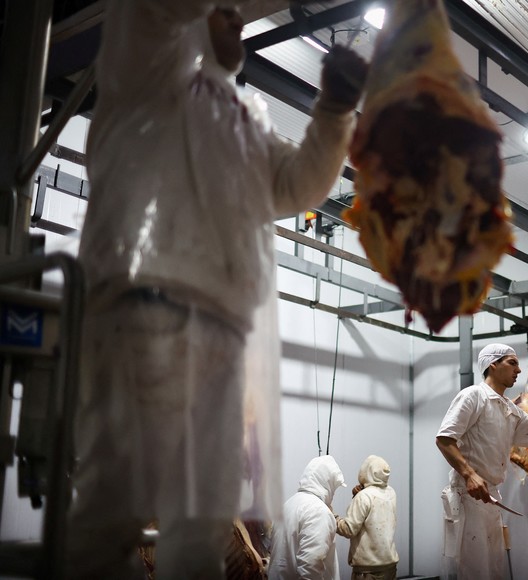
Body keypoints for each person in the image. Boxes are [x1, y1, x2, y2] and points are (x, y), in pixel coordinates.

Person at [65, 1, 367, 577]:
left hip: (221, 333)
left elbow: (293, 183)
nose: (239, 19)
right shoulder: (147, 69)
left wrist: (333, 113)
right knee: (115, 499)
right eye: (222, 9)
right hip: (141, 312)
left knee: (204, 514)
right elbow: (150, 11)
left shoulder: (244, 115)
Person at [435, 343, 528, 579]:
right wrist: (469, 474)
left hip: (491, 498)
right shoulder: (473, 396)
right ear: (493, 364)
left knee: (494, 571)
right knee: (473, 571)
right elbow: (444, 439)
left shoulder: (511, 410)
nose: (518, 370)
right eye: (512, 363)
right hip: (468, 497)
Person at [268, 455, 347, 580]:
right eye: (334, 489)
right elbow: (310, 568)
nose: (333, 494)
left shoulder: (288, 505)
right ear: (327, 484)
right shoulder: (319, 512)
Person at [335, 455, 400, 580]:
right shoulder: (391, 492)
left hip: (367, 571)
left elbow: (348, 529)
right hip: (390, 566)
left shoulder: (364, 496)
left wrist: (333, 517)